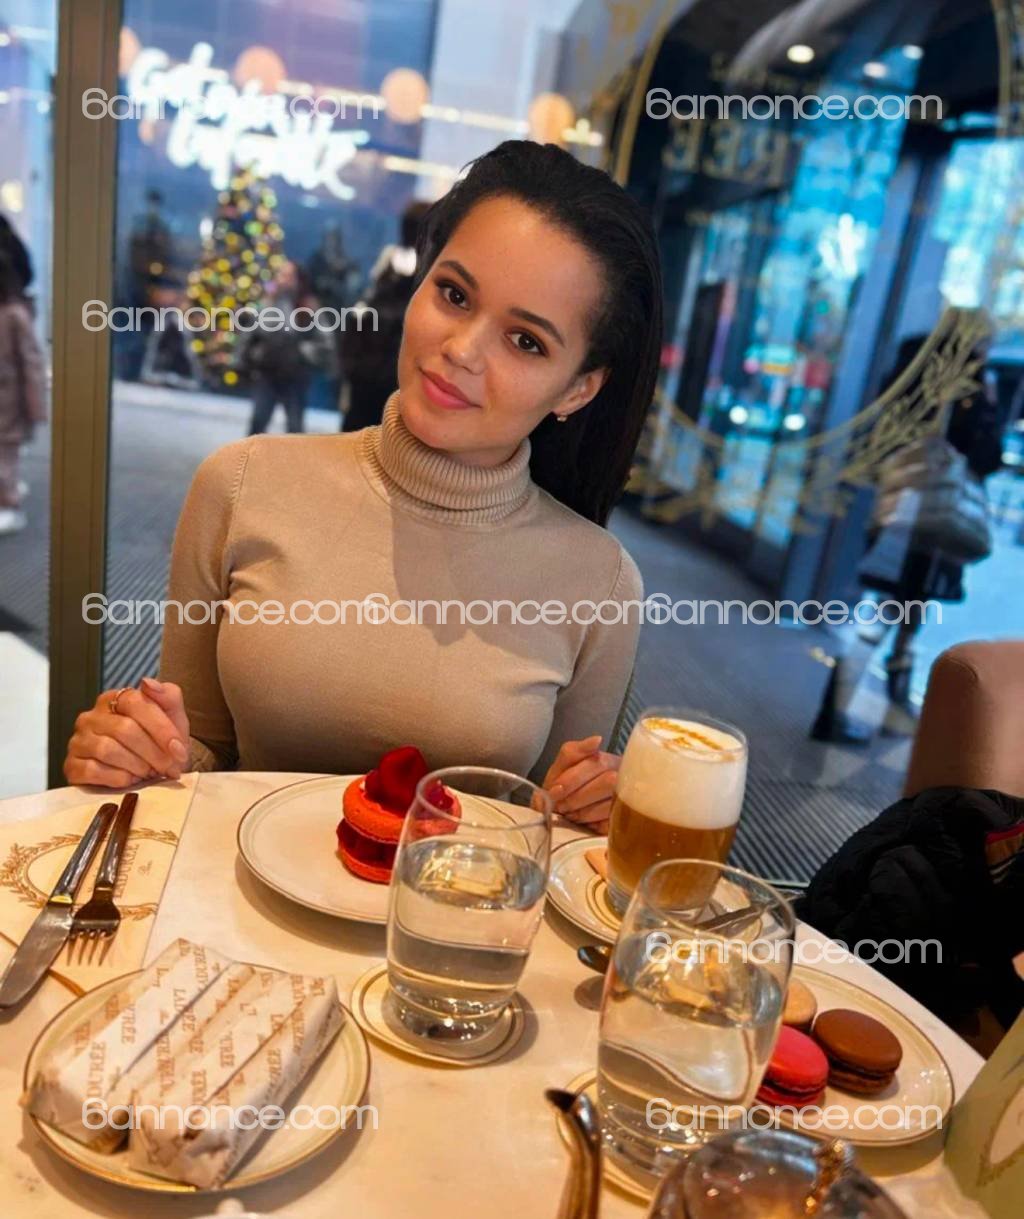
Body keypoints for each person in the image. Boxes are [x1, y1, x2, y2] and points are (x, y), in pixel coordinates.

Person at [62, 140, 664, 832]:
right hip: (232, 892)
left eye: (526, 341)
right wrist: (133, 750)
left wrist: (591, 808)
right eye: (454, 294)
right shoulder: (242, 483)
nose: (462, 350)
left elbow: (545, 829)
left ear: (579, 388)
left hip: (444, 903)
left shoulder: (600, 583)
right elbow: (197, 753)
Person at [811, 329, 1006, 744]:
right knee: (896, 613)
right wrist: (988, 403)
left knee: (896, 610)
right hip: (933, 519)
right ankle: (846, 711)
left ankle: (878, 706)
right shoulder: (967, 382)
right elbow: (986, 455)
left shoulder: (912, 368)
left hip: (897, 508)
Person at [341, 200, 431, 432]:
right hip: (372, 369)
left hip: (390, 372)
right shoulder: (393, 257)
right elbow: (367, 304)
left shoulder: (427, 269)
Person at [241, 260, 319, 435]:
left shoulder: (308, 307)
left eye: (289, 276)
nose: (283, 279)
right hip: (267, 372)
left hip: (295, 375)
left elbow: (322, 340)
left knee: (295, 426)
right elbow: (250, 335)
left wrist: (303, 354)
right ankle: (251, 453)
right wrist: (252, 357)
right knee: (258, 421)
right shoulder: (266, 303)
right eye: (281, 274)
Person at [0, 251, 46, 536]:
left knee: (5, 453)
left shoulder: (14, 315)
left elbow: (31, 362)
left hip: (8, 399)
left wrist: (35, 406)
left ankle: (9, 505)